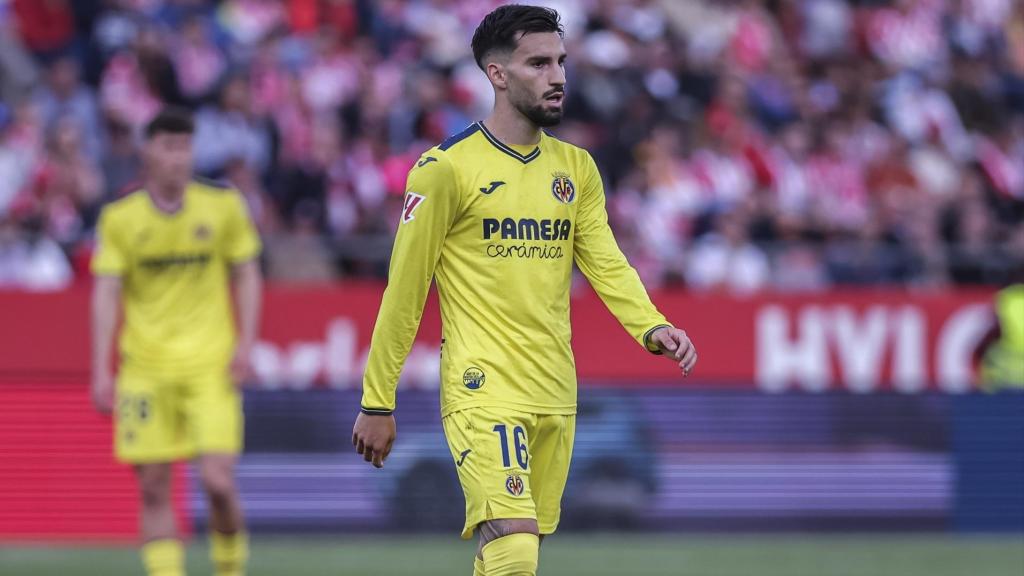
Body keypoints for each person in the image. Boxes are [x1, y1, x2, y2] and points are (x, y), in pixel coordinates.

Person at [351, 6, 697, 576]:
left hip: (555, 389)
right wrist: (376, 401)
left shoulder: (576, 169)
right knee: (515, 546)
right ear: (498, 75)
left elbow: (606, 263)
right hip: (482, 387)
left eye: (560, 62)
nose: (557, 76)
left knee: (508, 553)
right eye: (538, 63)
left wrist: (650, 325)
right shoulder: (444, 170)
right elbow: (404, 292)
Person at [90, 107, 262, 576]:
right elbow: (106, 291)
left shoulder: (224, 207)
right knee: (153, 486)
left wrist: (246, 344)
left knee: (218, 480)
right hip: (144, 369)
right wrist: (101, 370)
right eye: (168, 146)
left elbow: (246, 273)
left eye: (184, 146)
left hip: (210, 366)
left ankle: (230, 569)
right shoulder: (120, 219)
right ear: (148, 152)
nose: (178, 157)